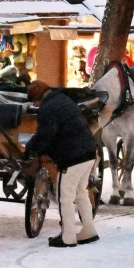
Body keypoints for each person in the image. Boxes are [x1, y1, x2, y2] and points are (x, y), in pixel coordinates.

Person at [24, 81, 100, 247]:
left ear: (37, 98)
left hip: (72, 157)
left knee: (64, 196)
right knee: (80, 192)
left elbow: (45, 135)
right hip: (88, 151)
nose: (34, 104)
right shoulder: (63, 99)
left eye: (33, 101)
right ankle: (88, 229)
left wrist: (30, 149)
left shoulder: (48, 108)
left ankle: (68, 236)